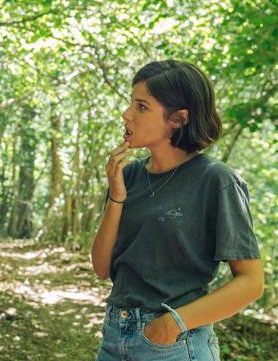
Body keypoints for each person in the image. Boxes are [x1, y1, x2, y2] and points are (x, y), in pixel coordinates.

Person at [91, 60, 263, 361]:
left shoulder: (216, 179)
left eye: (142, 107)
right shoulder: (128, 176)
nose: (126, 115)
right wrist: (116, 197)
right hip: (113, 337)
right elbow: (102, 267)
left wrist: (171, 325)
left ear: (179, 119)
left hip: (173, 346)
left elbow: (251, 282)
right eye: (131, 103)